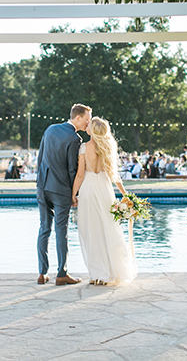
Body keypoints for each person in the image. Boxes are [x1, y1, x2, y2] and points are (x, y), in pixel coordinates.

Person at [72, 117, 137, 285]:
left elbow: (80, 175)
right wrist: (125, 194)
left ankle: (97, 274)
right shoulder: (108, 148)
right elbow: (114, 176)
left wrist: (73, 194)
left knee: (91, 232)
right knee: (108, 228)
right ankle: (110, 272)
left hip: (88, 189)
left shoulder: (84, 147)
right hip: (104, 189)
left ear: (92, 130)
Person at [36, 103, 92, 286]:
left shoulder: (50, 129)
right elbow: (72, 170)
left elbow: (40, 157)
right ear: (77, 118)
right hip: (60, 190)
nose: (88, 123)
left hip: (42, 186)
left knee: (44, 228)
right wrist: (73, 195)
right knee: (62, 231)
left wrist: (40, 183)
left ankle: (42, 273)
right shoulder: (74, 139)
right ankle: (62, 273)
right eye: (86, 119)